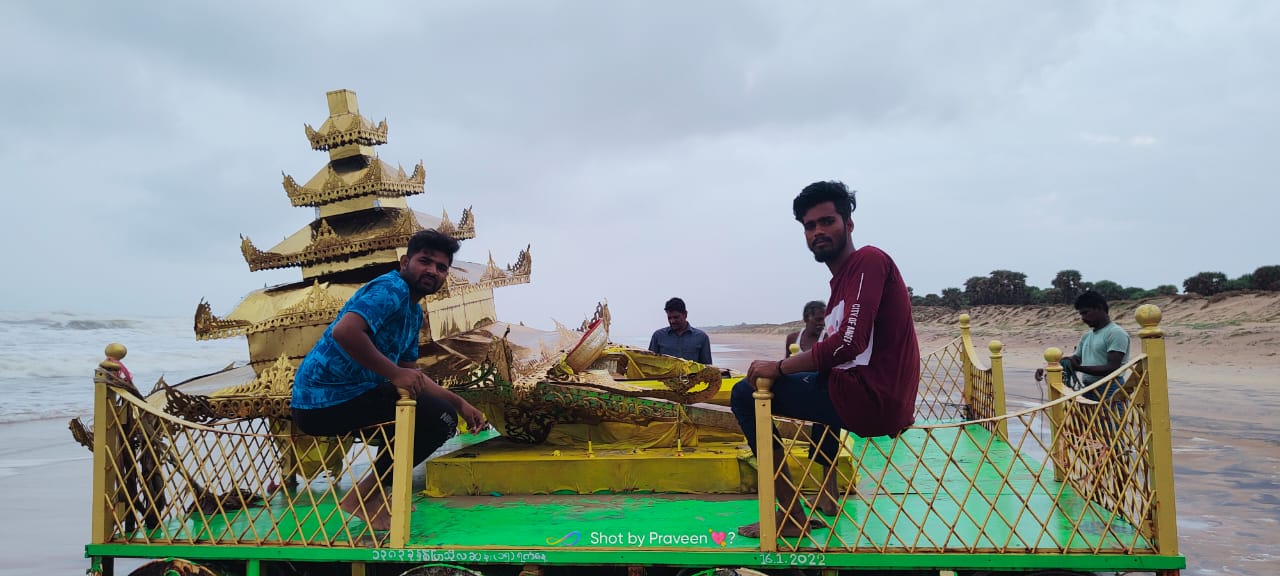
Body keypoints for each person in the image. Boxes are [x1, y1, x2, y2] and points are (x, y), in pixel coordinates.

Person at [731, 180, 920, 538]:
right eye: (809, 225)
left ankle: (789, 515)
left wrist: (781, 367)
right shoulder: (839, 285)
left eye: (827, 221)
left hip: (871, 397)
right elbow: (841, 350)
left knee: (745, 394)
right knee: (800, 383)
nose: (818, 231)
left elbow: (848, 343)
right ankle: (813, 500)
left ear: (848, 224)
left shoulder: (869, 260)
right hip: (854, 391)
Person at [291, 229, 486, 531]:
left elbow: (413, 375)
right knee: (438, 419)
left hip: (356, 395)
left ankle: (372, 493)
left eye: (441, 267)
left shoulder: (413, 312)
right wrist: (395, 374)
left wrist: (461, 403)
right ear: (405, 262)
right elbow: (346, 332)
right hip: (322, 400)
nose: (433, 271)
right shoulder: (391, 288)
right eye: (425, 261)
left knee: (443, 416)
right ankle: (366, 495)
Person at [785, 300, 842, 516]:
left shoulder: (827, 338)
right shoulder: (793, 339)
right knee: (818, 442)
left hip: (822, 395)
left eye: (824, 319)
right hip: (800, 395)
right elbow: (785, 365)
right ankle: (827, 494)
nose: (822, 323)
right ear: (806, 318)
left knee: (827, 438)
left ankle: (829, 496)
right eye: (818, 319)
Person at [1035, 290, 1130, 401]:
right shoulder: (1087, 336)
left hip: (1110, 388)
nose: (1083, 318)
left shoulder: (1115, 333)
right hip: (1088, 388)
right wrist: (1047, 368)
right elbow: (1074, 359)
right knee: (1089, 418)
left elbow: (1112, 368)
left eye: (1085, 313)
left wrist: (1079, 368)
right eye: (1081, 314)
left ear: (1099, 308)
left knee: (1110, 418)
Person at [647, 297, 713, 364]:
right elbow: (650, 364)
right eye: (669, 318)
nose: (672, 321)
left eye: (676, 317)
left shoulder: (701, 337)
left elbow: (708, 368)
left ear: (685, 314)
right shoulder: (658, 336)